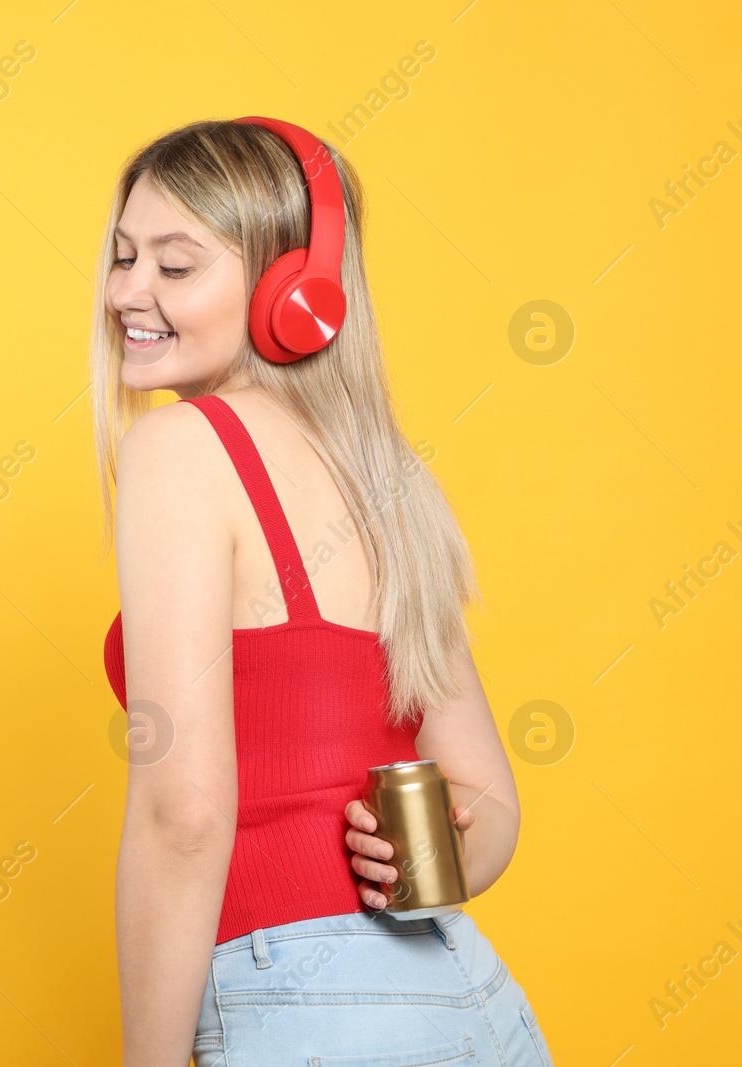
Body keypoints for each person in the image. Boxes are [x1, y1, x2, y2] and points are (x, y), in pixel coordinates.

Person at [95, 118, 554, 1066]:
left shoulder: (181, 452)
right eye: (123, 255)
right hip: (469, 1001)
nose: (126, 292)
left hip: (309, 1009)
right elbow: (488, 799)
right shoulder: (386, 483)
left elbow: (184, 816)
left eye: (176, 267)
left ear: (291, 293)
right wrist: (439, 856)